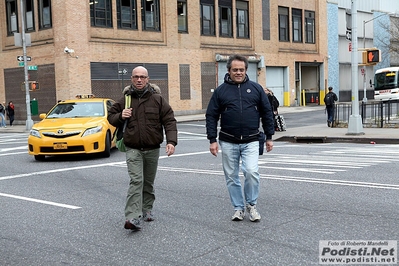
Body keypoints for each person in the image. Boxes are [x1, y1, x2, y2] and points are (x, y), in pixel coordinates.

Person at [206, 54, 275, 222]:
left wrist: (269, 136)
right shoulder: (221, 91)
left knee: (251, 172)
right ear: (229, 70)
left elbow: (267, 113)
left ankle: (251, 205)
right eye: (235, 70)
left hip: (251, 139)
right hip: (228, 141)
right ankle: (238, 208)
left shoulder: (256, 89)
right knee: (231, 176)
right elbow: (211, 115)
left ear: (246, 70)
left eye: (241, 70)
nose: (238, 72)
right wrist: (212, 140)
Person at [107, 66, 177, 231]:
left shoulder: (158, 99)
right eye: (136, 77)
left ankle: (147, 208)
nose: (139, 80)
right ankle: (132, 216)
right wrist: (120, 116)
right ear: (131, 78)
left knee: (148, 181)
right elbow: (110, 116)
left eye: (142, 77)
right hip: (133, 148)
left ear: (147, 79)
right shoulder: (125, 99)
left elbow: (169, 120)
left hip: (152, 148)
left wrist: (171, 141)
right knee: (136, 180)